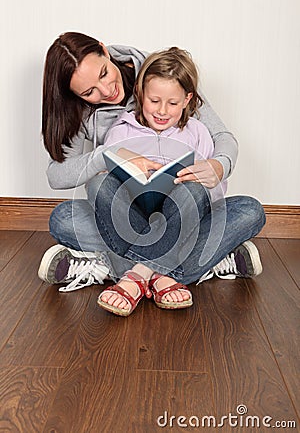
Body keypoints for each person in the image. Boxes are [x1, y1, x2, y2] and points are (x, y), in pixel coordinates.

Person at [38, 32, 265, 309]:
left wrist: (219, 166)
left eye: (104, 73)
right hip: (130, 214)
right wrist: (108, 158)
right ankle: (186, 268)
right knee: (63, 218)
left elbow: (222, 138)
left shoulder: (162, 71)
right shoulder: (98, 120)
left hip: (179, 210)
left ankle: (126, 273)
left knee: (249, 210)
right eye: (89, 92)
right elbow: (57, 174)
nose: (106, 90)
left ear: (104, 50)